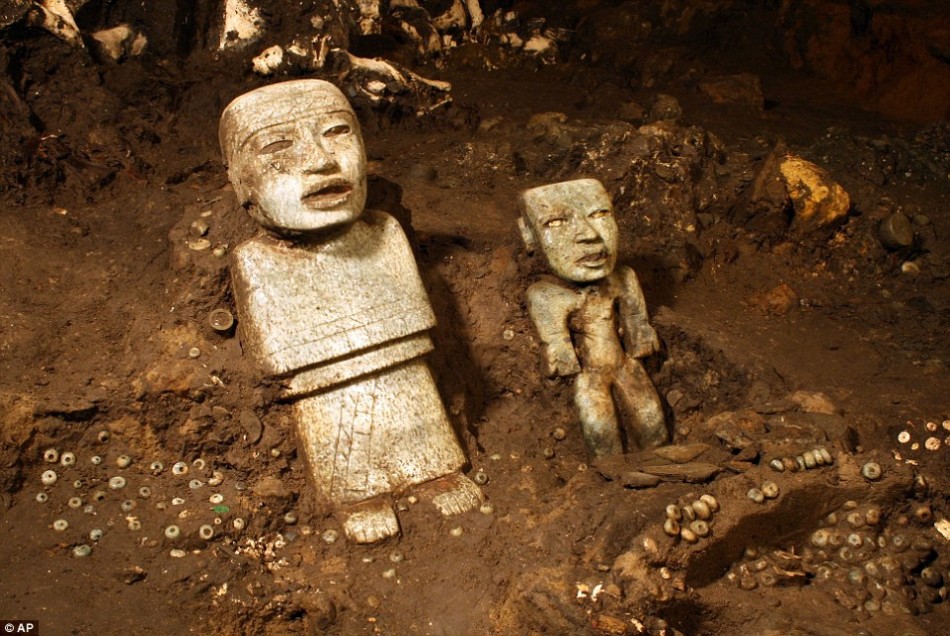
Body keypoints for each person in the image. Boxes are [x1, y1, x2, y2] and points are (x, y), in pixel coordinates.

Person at [220, 79, 482, 543]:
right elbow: (275, 354)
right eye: (278, 145)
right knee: (340, 442)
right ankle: (360, 498)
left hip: (402, 364)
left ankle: (436, 474)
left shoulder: (384, 232)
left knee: (419, 419)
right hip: (324, 386)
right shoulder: (257, 260)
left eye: (338, 132)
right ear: (242, 183)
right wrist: (356, 330)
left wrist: (352, 328)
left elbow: (418, 315)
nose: (320, 160)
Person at [518, 178, 668, 458]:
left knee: (652, 422)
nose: (588, 234)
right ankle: (613, 474)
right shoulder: (546, 296)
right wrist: (558, 350)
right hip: (591, 376)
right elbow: (558, 349)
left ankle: (659, 467)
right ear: (528, 234)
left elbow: (637, 324)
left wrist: (640, 332)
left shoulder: (624, 279)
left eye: (599, 214)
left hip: (626, 365)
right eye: (556, 222)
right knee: (601, 432)